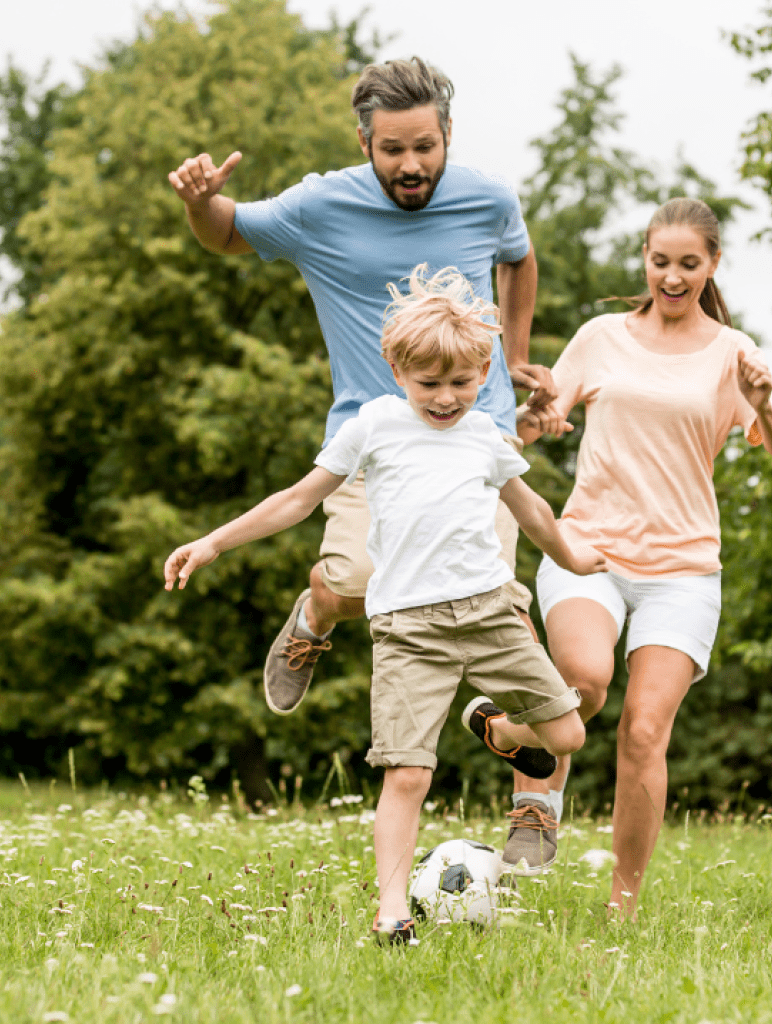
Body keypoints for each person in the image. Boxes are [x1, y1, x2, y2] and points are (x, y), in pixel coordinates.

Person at [163, 265, 606, 942]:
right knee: (407, 774)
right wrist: (214, 542)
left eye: (462, 384)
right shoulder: (374, 426)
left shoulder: (487, 436)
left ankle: (496, 727)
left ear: (484, 372)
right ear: (397, 369)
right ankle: (392, 909)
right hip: (409, 630)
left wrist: (575, 557)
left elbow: (534, 510)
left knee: (568, 733)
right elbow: (299, 498)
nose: (446, 398)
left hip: (489, 615)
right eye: (430, 384)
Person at [167, 56, 555, 716]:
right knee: (358, 585)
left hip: (477, 436)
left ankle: (534, 810)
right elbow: (226, 233)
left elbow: (517, 255)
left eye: (425, 147)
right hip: (372, 445)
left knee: (502, 611)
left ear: (449, 134)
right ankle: (316, 610)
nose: (411, 165)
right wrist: (202, 203)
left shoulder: (488, 198)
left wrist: (512, 357)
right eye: (393, 149)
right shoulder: (320, 206)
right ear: (364, 143)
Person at [489, 197, 772, 913]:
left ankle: (622, 903)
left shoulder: (731, 353)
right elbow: (531, 426)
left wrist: (766, 401)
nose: (672, 276)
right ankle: (529, 777)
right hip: (588, 546)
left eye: (689, 264)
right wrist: (534, 422)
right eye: (661, 262)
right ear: (647, 261)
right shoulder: (602, 337)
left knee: (645, 730)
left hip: (684, 569)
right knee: (584, 682)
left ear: (712, 264)